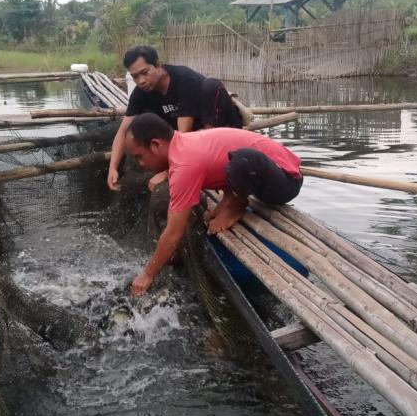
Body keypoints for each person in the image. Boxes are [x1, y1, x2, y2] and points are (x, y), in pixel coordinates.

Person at [125, 113, 303, 296]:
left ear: (156, 145)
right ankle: (230, 195)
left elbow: (173, 232)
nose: (140, 164)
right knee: (226, 160)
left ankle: (236, 202)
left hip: (286, 180)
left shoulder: (184, 164)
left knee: (242, 160)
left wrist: (148, 274)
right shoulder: (182, 145)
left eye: (140, 156)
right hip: (261, 176)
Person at [107, 45, 242, 192]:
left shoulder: (184, 79)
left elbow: (185, 133)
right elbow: (123, 131)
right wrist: (113, 168)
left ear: (158, 65)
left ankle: (228, 189)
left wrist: (167, 173)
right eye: (135, 77)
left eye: (145, 73)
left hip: (217, 128)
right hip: (191, 141)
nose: (141, 81)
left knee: (211, 86)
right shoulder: (140, 94)